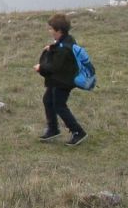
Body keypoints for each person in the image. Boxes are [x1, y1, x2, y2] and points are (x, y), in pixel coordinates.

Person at [34, 13, 88, 146]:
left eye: (51, 29)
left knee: (59, 105)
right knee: (48, 100)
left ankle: (78, 132)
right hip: (59, 79)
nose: (49, 31)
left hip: (63, 82)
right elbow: (60, 49)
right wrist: (52, 47)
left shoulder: (63, 49)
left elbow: (54, 67)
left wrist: (40, 67)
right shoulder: (67, 40)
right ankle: (53, 129)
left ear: (58, 31)